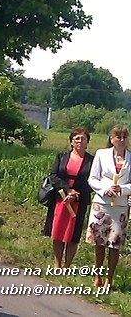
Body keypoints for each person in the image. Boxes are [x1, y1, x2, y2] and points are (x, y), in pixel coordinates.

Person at [42, 126, 94, 268]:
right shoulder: (62, 156)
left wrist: (76, 195)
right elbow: (53, 176)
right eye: (77, 139)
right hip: (61, 199)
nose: (80, 141)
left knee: (73, 235)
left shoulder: (92, 161)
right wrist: (67, 189)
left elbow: (93, 182)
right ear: (71, 142)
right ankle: (57, 263)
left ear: (87, 142)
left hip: (79, 201)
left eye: (83, 139)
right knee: (58, 232)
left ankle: (67, 266)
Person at [87, 124, 130, 289]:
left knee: (115, 243)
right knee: (99, 241)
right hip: (102, 204)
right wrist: (105, 189)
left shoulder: (130, 158)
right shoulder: (101, 154)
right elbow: (92, 179)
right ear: (111, 138)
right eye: (118, 136)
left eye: (124, 137)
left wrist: (123, 189)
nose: (121, 140)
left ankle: (109, 279)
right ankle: (97, 275)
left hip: (120, 206)